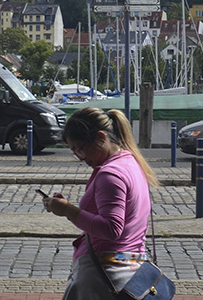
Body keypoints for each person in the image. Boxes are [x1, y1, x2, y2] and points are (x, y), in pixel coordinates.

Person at [42, 107, 159, 299]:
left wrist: (68, 210)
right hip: (131, 267)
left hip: (104, 274)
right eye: (74, 151)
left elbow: (111, 229)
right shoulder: (130, 162)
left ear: (101, 137)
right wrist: (68, 210)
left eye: (80, 148)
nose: (80, 157)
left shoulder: (109, 175)